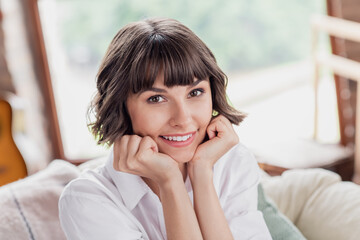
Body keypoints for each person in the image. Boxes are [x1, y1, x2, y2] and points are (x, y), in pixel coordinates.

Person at [59, 17, 271, 240]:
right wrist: (170, 182)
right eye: (156, 98)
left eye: (195, 92)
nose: (183, 118)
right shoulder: (87, 200)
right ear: (120, 106)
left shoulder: (232, 163)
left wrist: (202, 173)